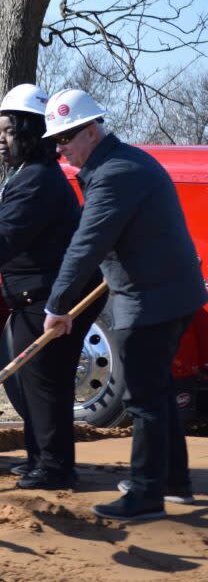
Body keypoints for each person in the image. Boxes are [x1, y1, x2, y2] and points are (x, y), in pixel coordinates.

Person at [42, 89, 206, 520]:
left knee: (143, 399)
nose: (59, 148)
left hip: (150, 300)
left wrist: (56, 305)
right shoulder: (126, 161)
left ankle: (145, 493)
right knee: (159, 393)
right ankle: (173, 483)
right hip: (171, 293)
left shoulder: (115, 173)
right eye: (55, 141)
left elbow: (86, 245)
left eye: (65, 138)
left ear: (91, 132)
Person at [0, 85, 105, 490]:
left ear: (32, 132)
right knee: (34, 380)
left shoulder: (38, 181)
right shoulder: (25, 176)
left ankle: (54, 467)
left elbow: (5, 238)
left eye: (8, 131)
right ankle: (40, 459)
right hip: (34, 295)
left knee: (46, 382)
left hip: (51, 297)